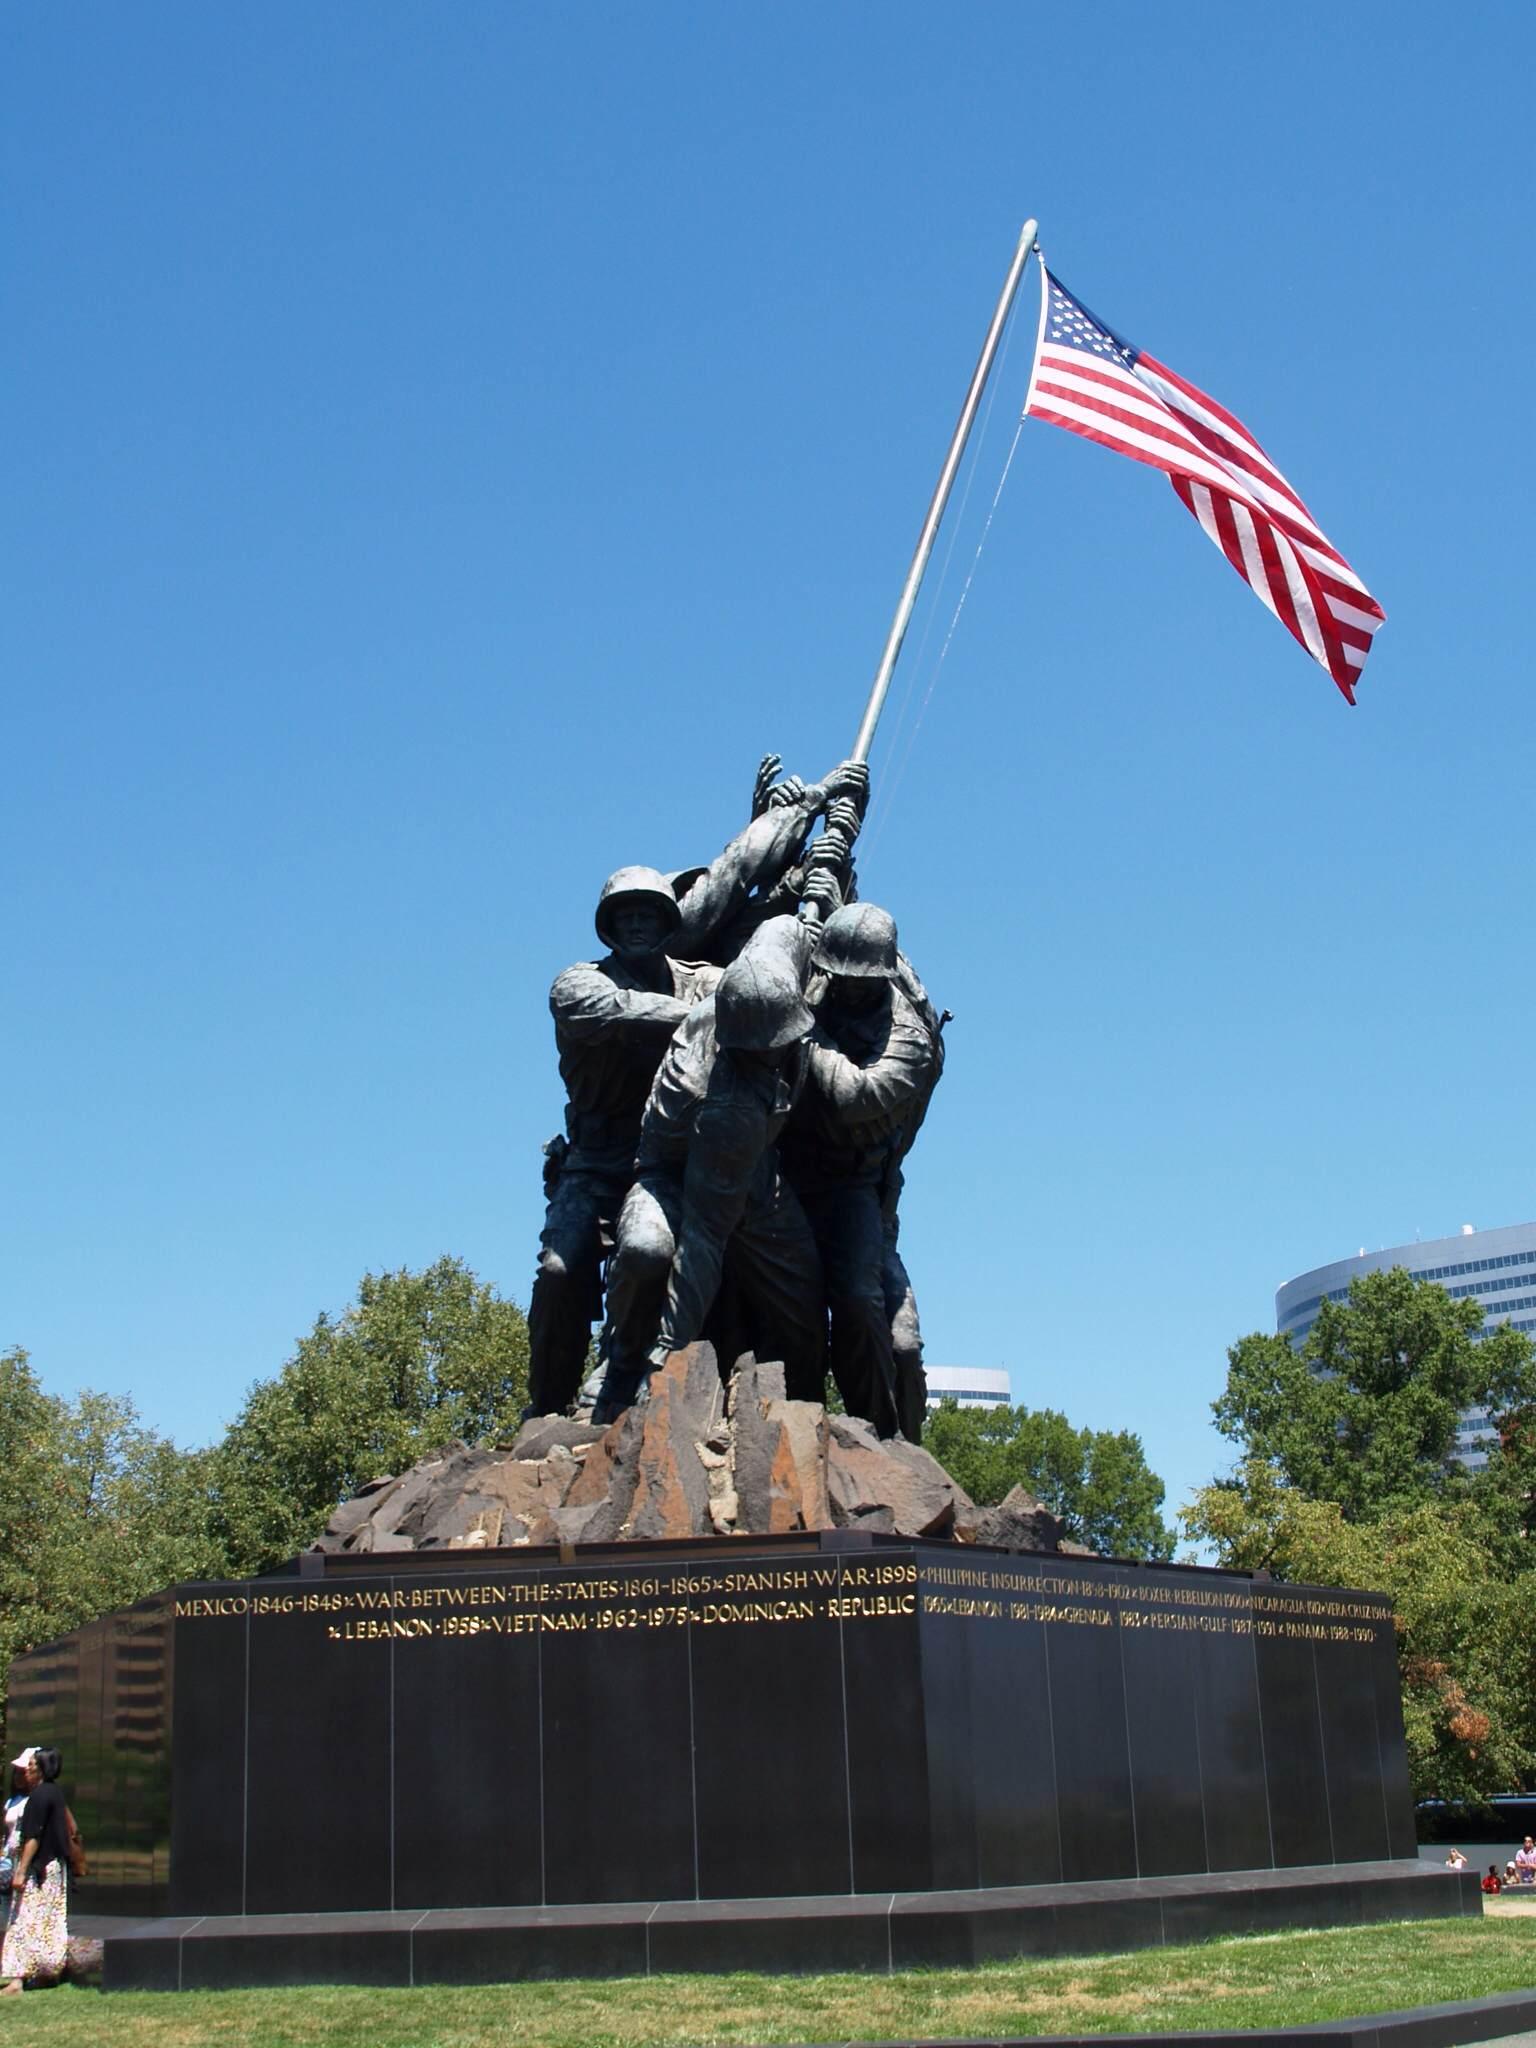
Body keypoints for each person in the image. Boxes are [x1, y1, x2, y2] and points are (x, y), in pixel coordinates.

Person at [523, 757, 867, 1419]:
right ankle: (551, 1409)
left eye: (651, 915)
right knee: (559, 1274)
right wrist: (729, 1011)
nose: (639, 927)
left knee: (664, 1252)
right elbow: (640, 1014)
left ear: (668, 919)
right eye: (624, 918)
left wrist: (813, 815)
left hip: (681, 1165)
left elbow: (743, 882)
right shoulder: (578, 986)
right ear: (607, 926)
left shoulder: (704, 980)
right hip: (600, 1166)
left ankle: (646, 1370)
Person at [592, 915, 828, 1421]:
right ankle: (621, 1372)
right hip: (676, 1179)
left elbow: (796, 925)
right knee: (646, 1249)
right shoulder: (723, 1104)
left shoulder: (768, 958)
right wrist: (667, 1357)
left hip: (758, 1176)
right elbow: (702, 1243)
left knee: (803, 1302)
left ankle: (812, 1419)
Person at [779, 903, 940, 1437]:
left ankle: (884, 1440)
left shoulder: (908, 1039)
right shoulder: (820, 984)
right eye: (837, 976)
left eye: (858, 980)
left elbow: (856, 1096)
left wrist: (804, 1035)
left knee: (860, 1302)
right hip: (788, 1172)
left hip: (854, 1186)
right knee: (780, 1306)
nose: (844, 988)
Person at [1, 1748, 69, 1993]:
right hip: (53, 1870)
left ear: (41, 1769)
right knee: (47, 1922)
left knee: (23, 1920)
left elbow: (33, 1837)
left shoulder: (39, 1796)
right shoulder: (55, 1793)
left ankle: (18, 1978)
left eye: (30, 1766)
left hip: (38, 1870)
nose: (26, 1771)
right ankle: (45, 1973)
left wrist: (21, 1871)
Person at [0, 1754, 33, 1914]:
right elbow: (6, 1831)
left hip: (23, 1858)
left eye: (23, 1772)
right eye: (16, 1773)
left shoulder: (34, 1800)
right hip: (7, 1857)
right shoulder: (11, 1801)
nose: (18, 1777)